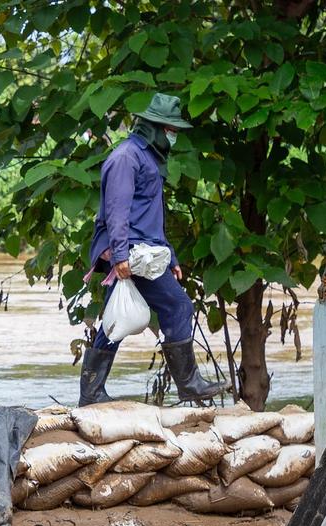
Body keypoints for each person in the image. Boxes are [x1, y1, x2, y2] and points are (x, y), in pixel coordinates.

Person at [80, 92, 226, 406]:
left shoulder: (146, 158)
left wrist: (169, 255)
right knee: (179, 307)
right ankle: (189, 384)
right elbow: (117, 210)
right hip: (130, 253)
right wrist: (119, 255)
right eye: (170, 129)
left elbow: (149, 217)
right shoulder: (126, 158)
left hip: (143, 251)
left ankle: (90, 393)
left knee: (114, 319)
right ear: (154, 127)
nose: (173, 135)